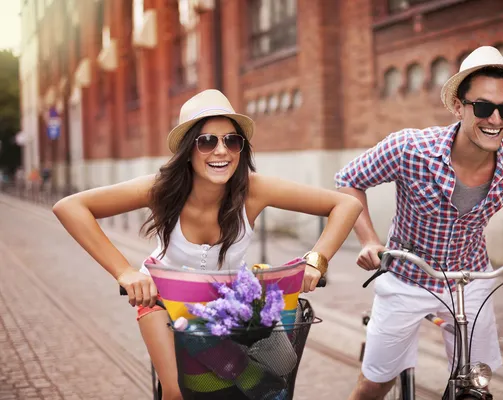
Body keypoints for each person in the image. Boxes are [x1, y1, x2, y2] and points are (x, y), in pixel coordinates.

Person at [53, 89, 363, 400]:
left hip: (229, 308)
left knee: (271, 382)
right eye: (207, 141)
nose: (221, 151)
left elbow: (345, 206)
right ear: (188, 149)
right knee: (176, 394)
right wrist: (125, 273)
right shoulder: (160, 188)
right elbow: (70, 207)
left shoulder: (253, 189)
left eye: (232, 141)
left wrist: (316, 260)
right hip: (164, 302)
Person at [335, 46, 503, 399]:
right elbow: (349, 181)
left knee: (476, 380)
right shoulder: (409, 148)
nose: (495, 119)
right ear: (458, 106)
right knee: (374, 384)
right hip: (407, 277)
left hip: (470, 277)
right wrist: (370, 240)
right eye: (482, 107)